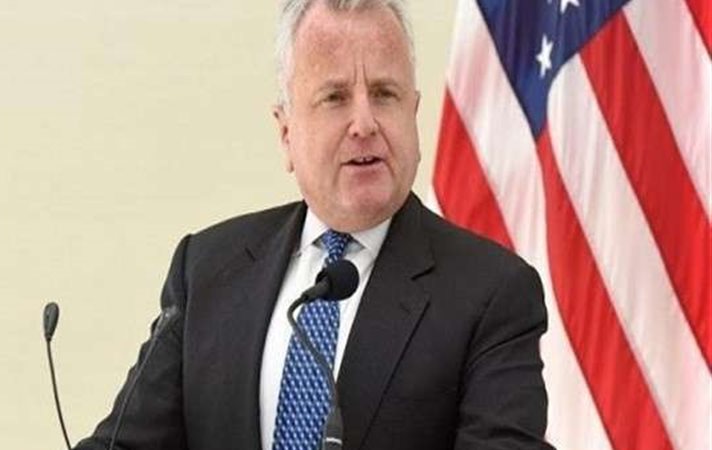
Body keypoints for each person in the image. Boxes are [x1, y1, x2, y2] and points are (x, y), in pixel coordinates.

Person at [74, 1, 553, 449]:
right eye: (335, 97)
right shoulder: (206, 269)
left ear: (413, 113)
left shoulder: (493, 292)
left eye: (384, 94)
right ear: (286, 132)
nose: (364, 123)